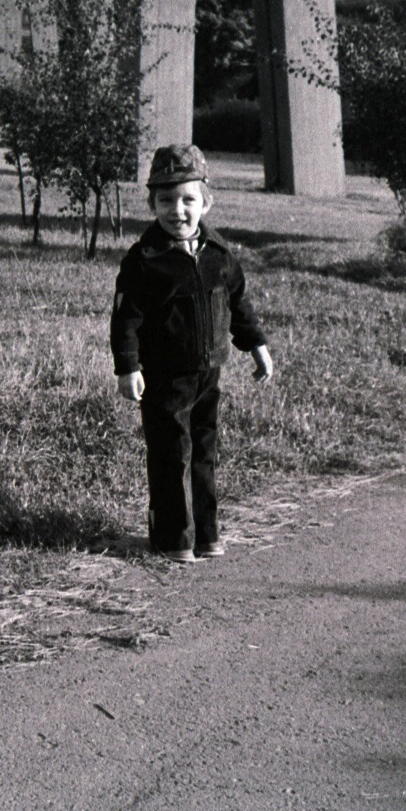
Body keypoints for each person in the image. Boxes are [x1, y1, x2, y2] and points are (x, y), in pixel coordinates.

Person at [110, 144, 273, 563]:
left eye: (188, 199)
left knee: (204, 454)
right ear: (152, 204)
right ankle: (173, 538)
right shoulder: (145, 261)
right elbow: (125, 319)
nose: (177, 210)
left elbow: (239, 305)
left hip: (208, 377)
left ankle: (207, 534)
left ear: (206, 202)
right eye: (165, 200)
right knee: (170, 456)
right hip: (165, 379)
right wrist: (128, 368)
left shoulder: (219, 256)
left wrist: (256, 346)